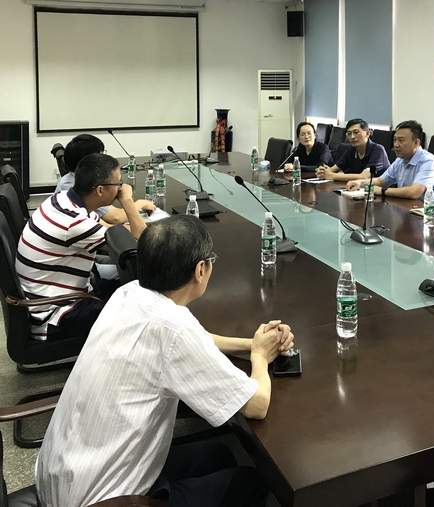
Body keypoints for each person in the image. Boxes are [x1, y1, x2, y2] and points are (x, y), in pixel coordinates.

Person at [35, 215, 294, 507]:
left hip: (62, 476)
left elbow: (193, 339)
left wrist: (252, 343)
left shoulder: (128, 293)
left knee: (218, 454)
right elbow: (256, 406)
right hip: (99, 500)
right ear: (200, 270)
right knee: (251, 482)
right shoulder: (174, 328)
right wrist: (260, 357)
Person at [16, 153, 147, 340]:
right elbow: (138, 244)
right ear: (100, 190)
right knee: (143, 303)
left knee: (129, 285)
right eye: (119, 184)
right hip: (57, 315)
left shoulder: (62, 200)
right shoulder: (74, 223)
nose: (121, 188)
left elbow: (114, 232)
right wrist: (127, 201)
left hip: (53, 298)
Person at [346, 120, 434, 207]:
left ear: (416, 143)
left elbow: (414, 192)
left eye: (401, 140)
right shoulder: (400, 160)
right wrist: (360, 183)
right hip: (410, 211)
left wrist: (382, 191)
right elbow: (381, 181)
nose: (396, 145)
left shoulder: (428, 161)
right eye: (395, 140)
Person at [55, 134, 155, 223]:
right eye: (100, 155)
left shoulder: (77, 178)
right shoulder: (75, 186)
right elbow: (116, 218)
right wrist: (139, 204)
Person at [315, 118, 390, 181]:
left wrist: (331, 175)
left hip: (379, 191)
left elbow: (364, 176)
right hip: (356, 189)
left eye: (356, 132)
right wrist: (323, 171)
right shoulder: (351, 149)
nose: (352, 137)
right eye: (349, 133)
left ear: (367, 133)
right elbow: (333, 169)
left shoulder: (378, 150)